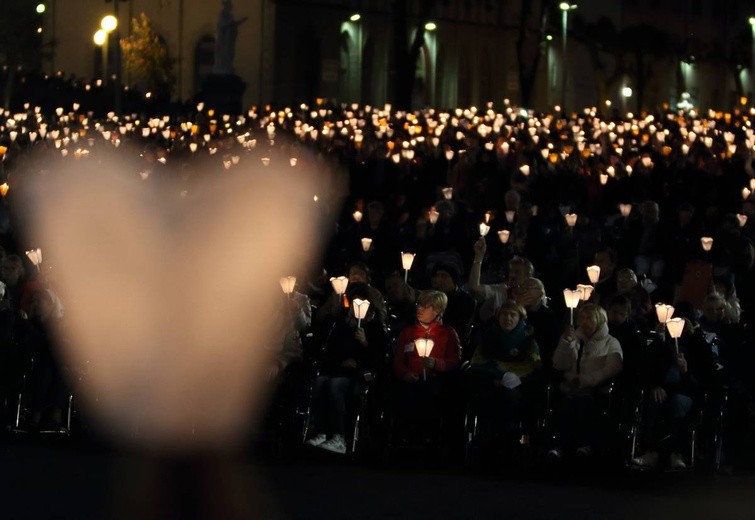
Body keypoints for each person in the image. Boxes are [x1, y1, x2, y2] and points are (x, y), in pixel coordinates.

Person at [305, 283, 387, 454]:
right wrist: (340, 362)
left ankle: (339, 436)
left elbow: (379, 357)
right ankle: (320, 431)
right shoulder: (341, 323)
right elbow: (329, 350)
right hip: (337, 368)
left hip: (359, 374)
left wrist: (365, 343)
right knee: (320, 383)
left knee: (335, 385)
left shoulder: (375, 326)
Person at [631, 318, 716, 470]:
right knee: (656, 400)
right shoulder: (662, 347)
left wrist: (685, 372)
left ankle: (676, 452)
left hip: (687, 393)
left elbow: (701, 383)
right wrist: (655, 386)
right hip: (665, 389)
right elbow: (648, 370)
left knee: (678, 403)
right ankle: (652, 451)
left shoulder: (698, 349)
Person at [549, 303, 623, 458]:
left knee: (582, 401)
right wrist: (565, 344)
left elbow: (611, 368)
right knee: (568, 400)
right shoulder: (574, 339)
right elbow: (559, 364)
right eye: (582, 317)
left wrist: (586, 380)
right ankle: (561, 444)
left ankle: (585, 443)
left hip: (595, 388)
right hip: (570, 386)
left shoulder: (611, 343)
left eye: (589, 318)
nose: (584, 321)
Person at [465, 301, 541, 446]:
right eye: (504, 314)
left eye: (513, 315)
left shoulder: (528, 340)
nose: (508, 318)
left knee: (510, 398)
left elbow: (534, 366)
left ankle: (508, 440)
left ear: (520, 318)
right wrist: (498, 376)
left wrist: (514, 379)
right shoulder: (488, 336)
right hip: (489, 382)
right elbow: (476, 363)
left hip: (518, 386)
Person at [391, 290, 461, 442]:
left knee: (431, 395)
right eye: (419, 304)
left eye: (426, 306)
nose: (420, 308)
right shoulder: (408, 332)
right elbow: (398, 361)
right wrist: (405, 374)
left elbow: (455, 360)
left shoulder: (448, 333)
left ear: (438, 310)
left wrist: (437, 363)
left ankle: (429, 436)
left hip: (436, 381)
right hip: (411, 380)